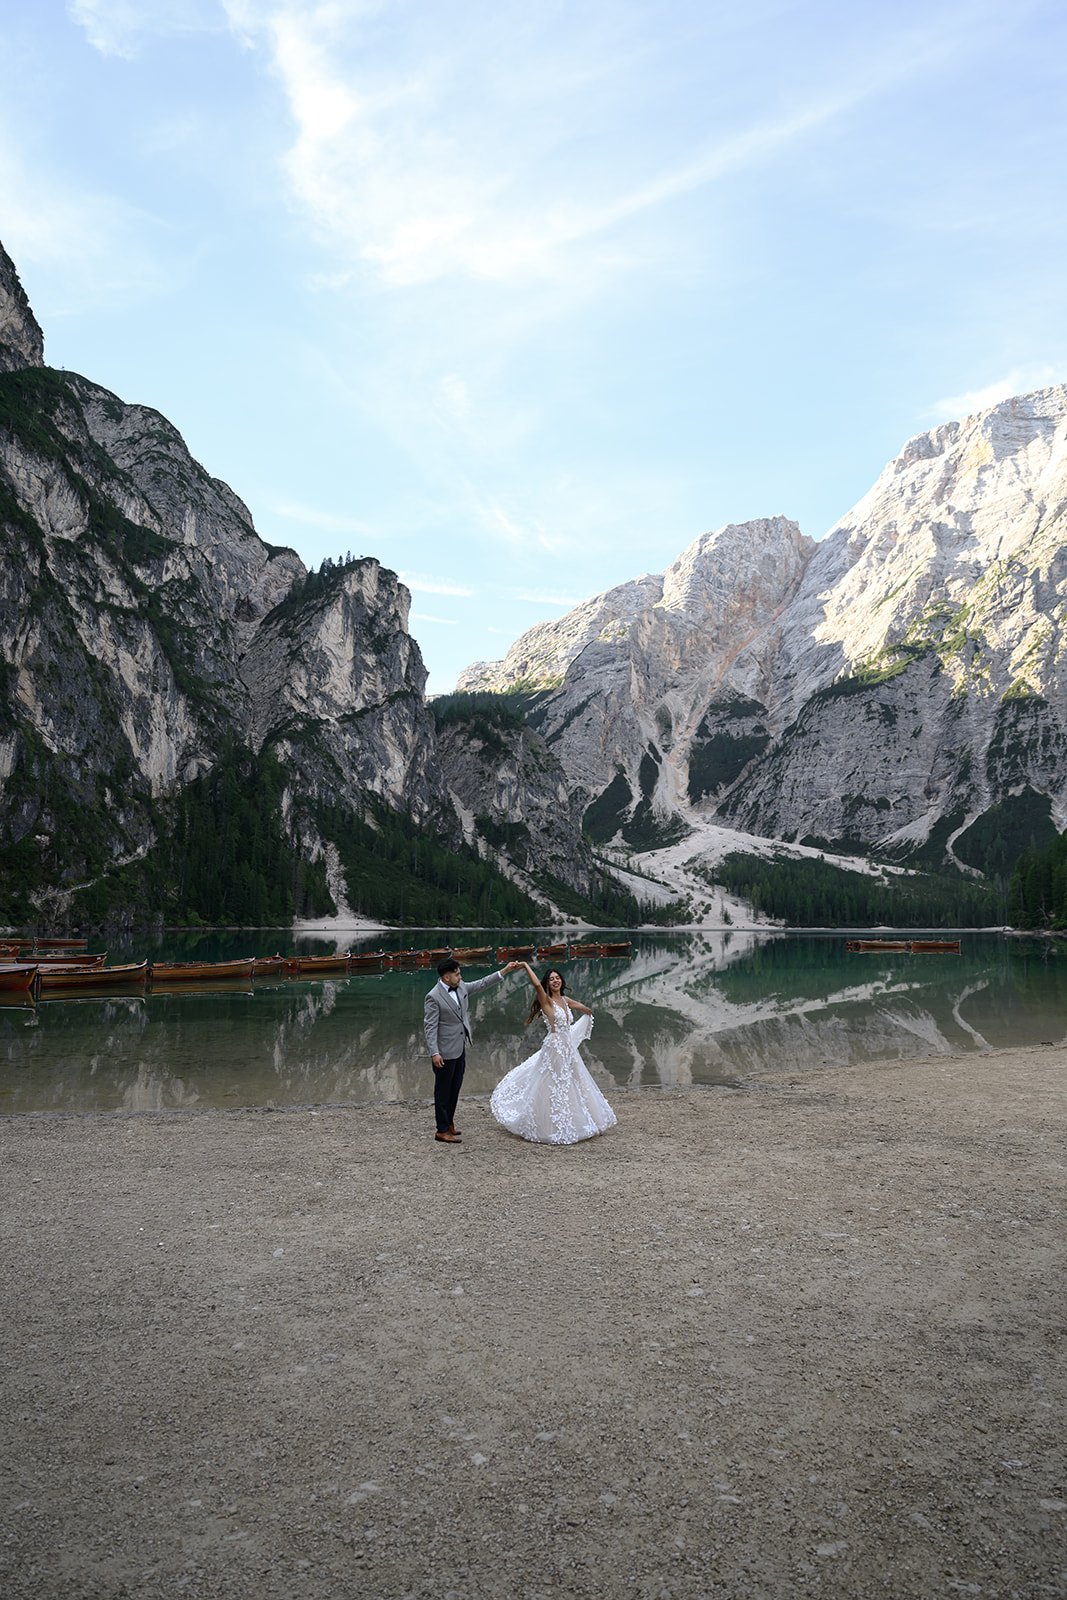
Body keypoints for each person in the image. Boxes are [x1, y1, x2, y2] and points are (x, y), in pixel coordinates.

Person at [490, 963, 617, 1145]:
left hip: (568, 1048)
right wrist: (526, 966)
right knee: (555, 1083)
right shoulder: (546, 1000)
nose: (555, 981)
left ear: (561, 981)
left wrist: (586, 1011)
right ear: (547, 984)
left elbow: (578, 1005)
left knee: (572, 1082)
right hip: (555, 1047)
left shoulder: (564, 1000)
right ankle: (549, 1126)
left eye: (557, 978)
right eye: (551, 979)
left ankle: (577, 1121)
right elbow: (536, 985)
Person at [424, 957, 521, 1144]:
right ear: (446, 978)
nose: (460, 977)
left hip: (460, 1047)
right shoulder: (433, 997)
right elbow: (430, 1027)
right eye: (457, 974)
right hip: (444, 1052)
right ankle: (441, 1130)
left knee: (455, 1088)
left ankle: (449, 1123)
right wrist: (434, 1052)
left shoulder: (461, 987)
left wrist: (505, 970)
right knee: (443, 1091)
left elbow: (482, 983)